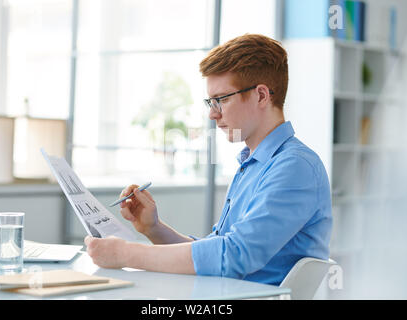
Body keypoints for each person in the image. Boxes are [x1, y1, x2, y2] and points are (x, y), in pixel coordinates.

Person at [84, 34, 332, 286]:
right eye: (210, 102)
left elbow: (234, 257)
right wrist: (153, 228)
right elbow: (216, 252)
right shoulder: (253, 164)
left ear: (261, 96)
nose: (213, 114)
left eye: (222, 99)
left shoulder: (295, 167)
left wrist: (126, 254)